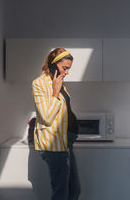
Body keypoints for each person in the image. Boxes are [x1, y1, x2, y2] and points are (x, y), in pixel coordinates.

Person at [31, 48, 81, 200]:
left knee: (74, 190)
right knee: (61, 192)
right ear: (53, 64)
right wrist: (55, 92)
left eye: (68, 69)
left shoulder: (59, 82)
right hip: (53, 146)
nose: (66, 72)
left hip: (65, 142)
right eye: (64, 68)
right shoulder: (39, 84)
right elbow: (46, 117)